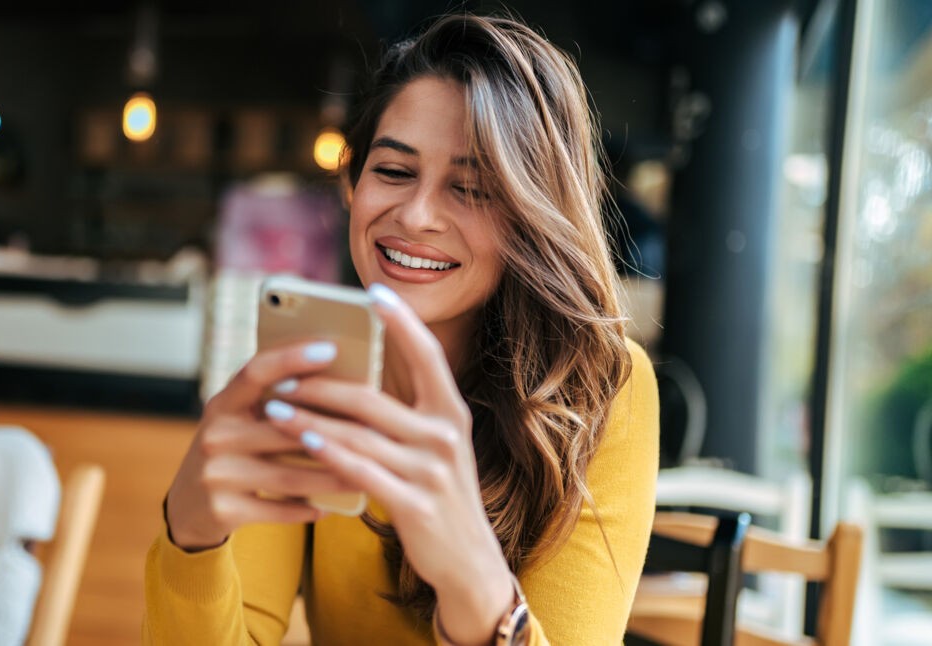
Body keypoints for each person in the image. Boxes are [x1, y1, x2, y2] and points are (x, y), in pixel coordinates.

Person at [144, 13, 658, 645]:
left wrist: (471, 577)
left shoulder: (600, 388)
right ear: (351, 183)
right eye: (392, 171)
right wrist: (192, 535)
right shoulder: (314, 368)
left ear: (532, 219)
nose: (415, 215)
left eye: (470, 188)